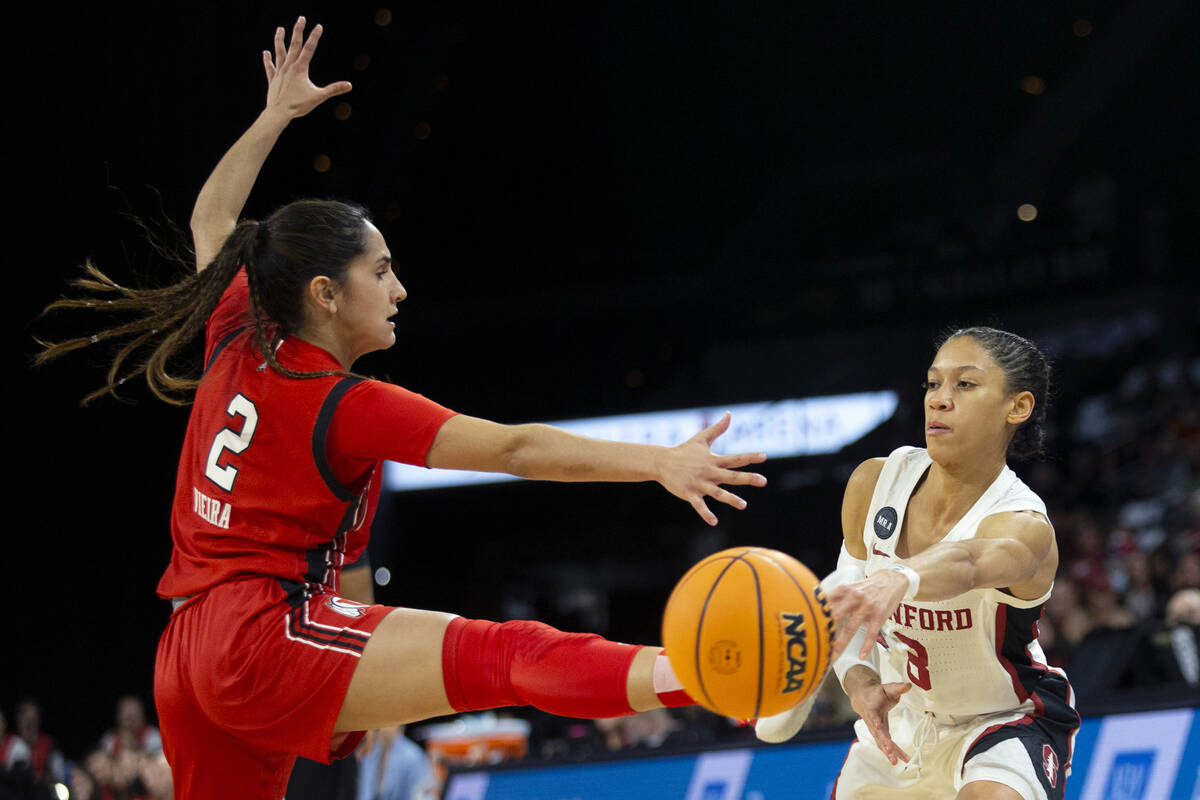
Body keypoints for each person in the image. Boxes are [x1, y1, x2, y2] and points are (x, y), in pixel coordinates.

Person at [38, 19, 762, 800]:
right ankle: (715, 674)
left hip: (184, 650)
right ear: (324, 293)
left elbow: (209, 222)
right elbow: (514, 451)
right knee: (506, 653)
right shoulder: (342, 403)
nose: (399, 290)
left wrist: (273, 118)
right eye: (380, 271)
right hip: (260, 638)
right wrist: (659, 461)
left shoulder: (241, 328)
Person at [757, 327, 1079, 800]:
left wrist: (900, 577)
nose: (939, 400)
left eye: (964, 385)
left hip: (1004, 722)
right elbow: (848, 595)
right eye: (933, 384)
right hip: (902, 727)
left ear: (1018, 407)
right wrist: (858, 679)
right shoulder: (874, 482)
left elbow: (968, 561)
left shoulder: (1023, 524)